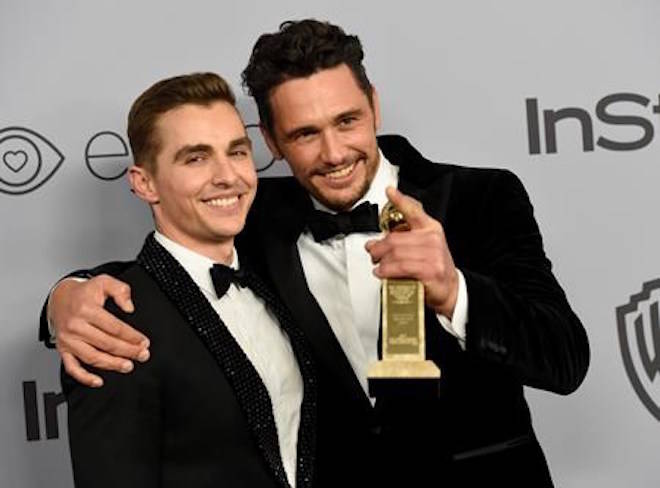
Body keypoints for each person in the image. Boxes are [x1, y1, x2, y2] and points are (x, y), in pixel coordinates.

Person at [42, 20, 589, 487]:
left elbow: (564, 358)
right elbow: (178, 268)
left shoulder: (480, 197)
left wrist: (456, 292)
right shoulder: (251, 214)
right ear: (271, 142)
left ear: (374, 105)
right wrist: (64, 297)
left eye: (347, 121)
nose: (333, 154)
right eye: (304, 134)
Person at [59, 72, 316, 488]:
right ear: (145, 184)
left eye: (237, 152)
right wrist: (63, 298)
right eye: (196, 158)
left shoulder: (276, 273)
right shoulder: (111, 325)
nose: (227, 176)